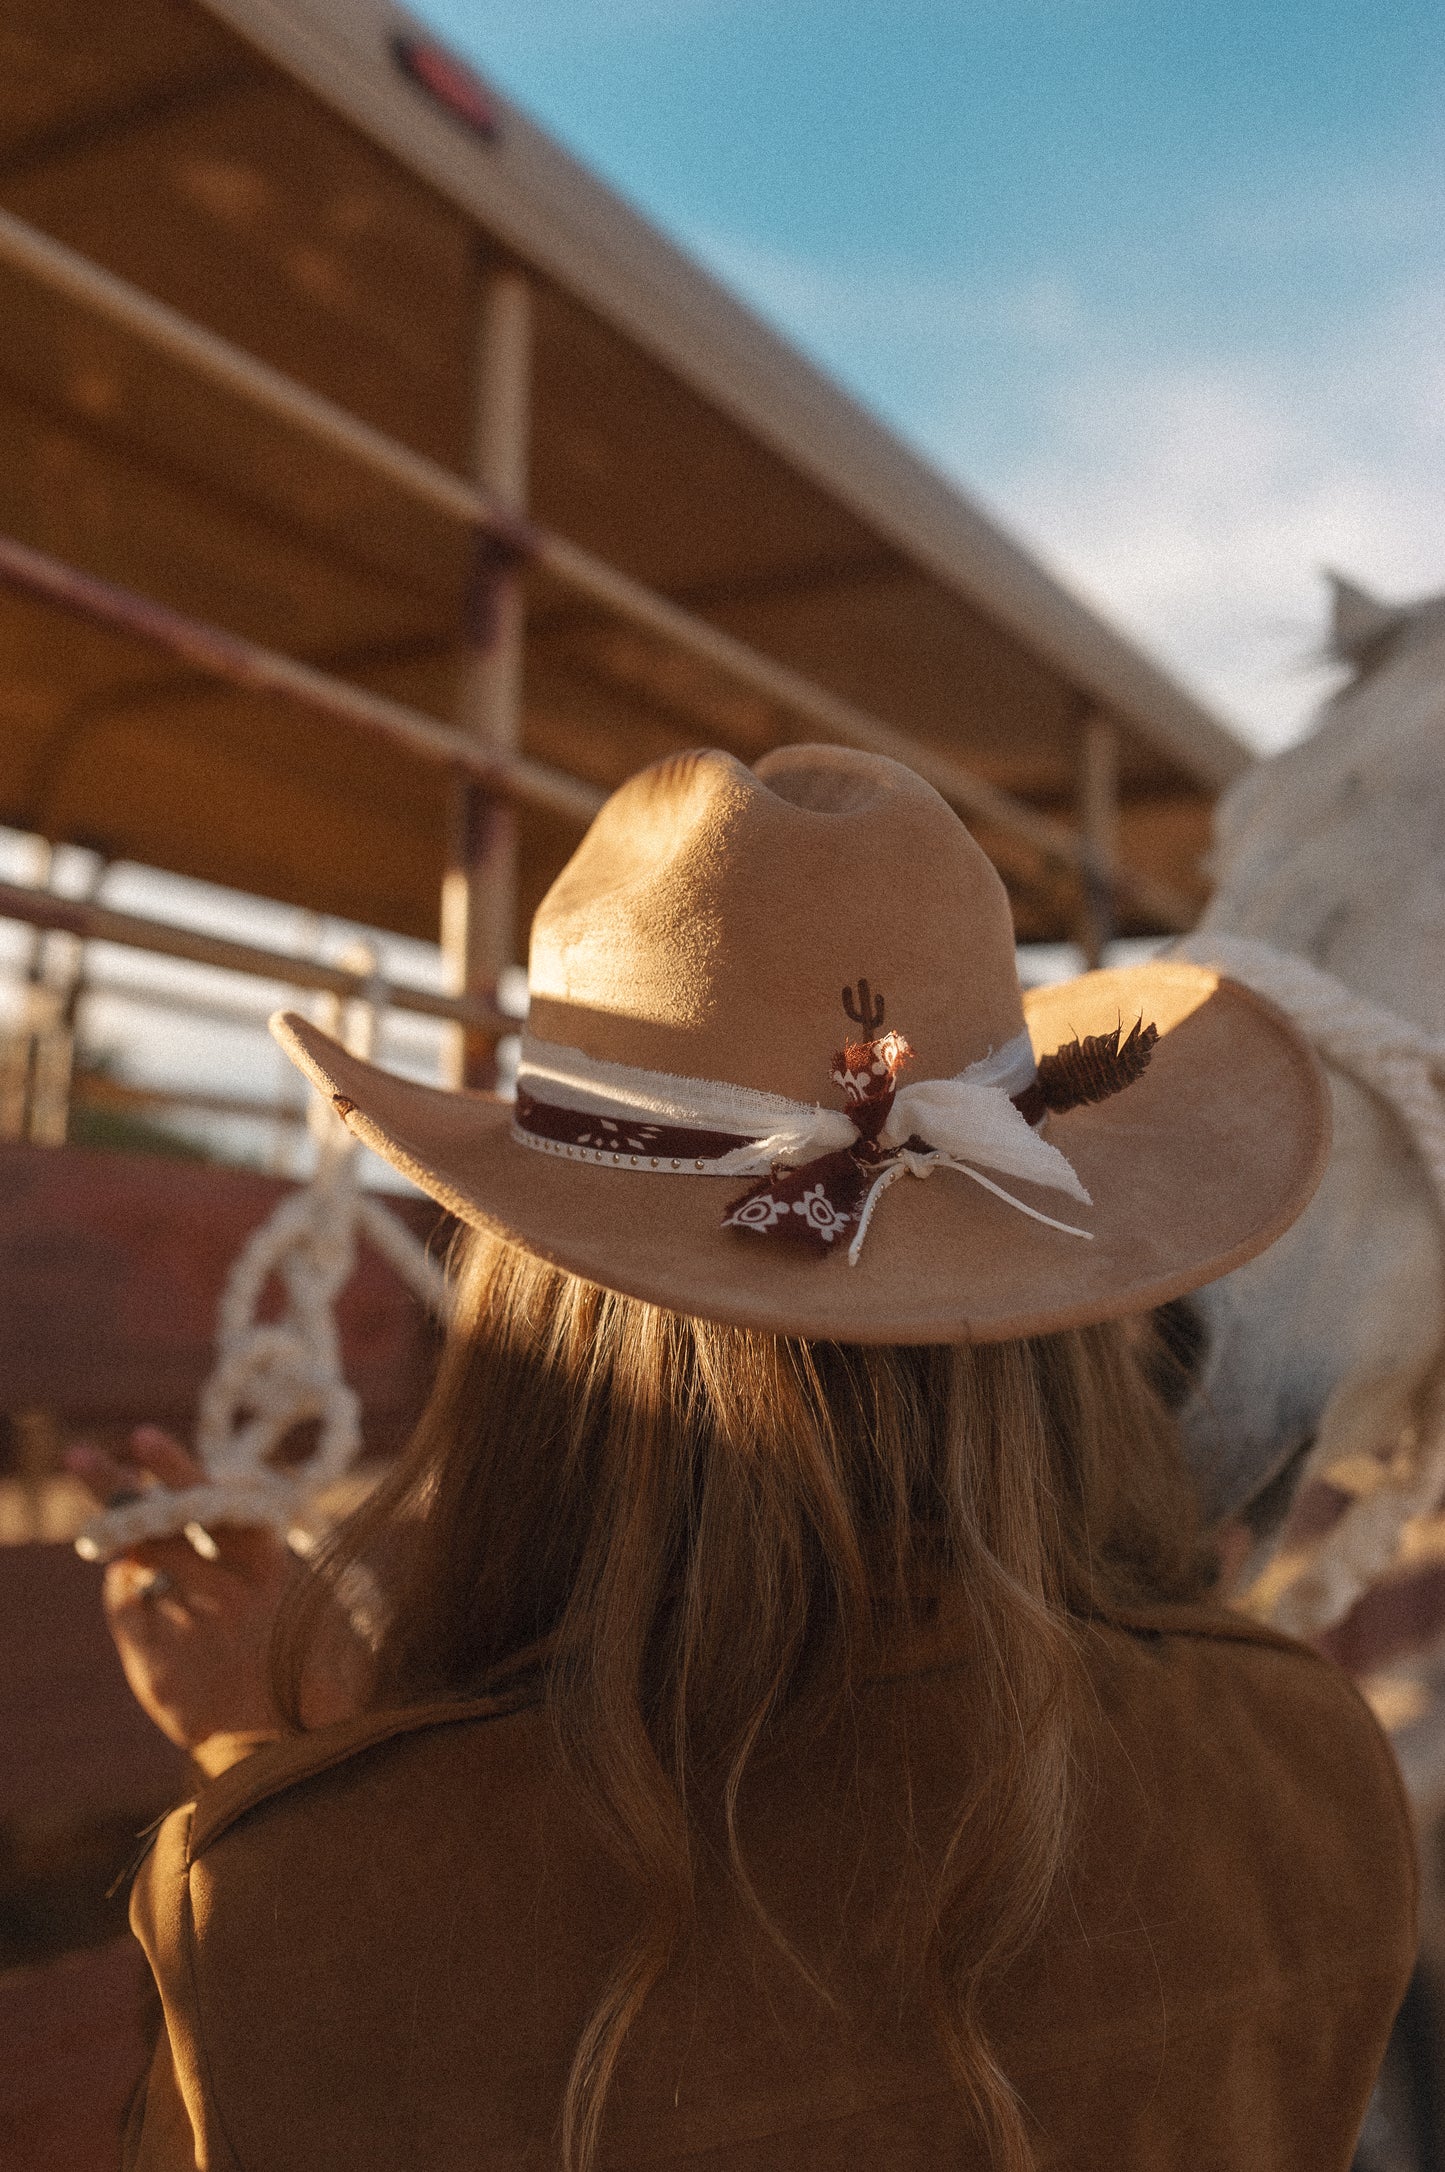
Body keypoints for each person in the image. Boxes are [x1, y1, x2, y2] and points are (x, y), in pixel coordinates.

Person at [77, 745, 1415, 2171]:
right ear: (1053, 1310)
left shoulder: (281, 1903)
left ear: (538, 1307)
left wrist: (276, 1764)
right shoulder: (1301, 1765)